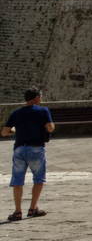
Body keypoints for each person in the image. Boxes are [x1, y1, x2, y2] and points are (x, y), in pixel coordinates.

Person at [2, 87, 53, 221]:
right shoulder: (43, 111)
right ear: (36, 98)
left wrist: (14, 130)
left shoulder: (16, 113)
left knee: (18, 181)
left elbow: (4, 132)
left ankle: (18, 211)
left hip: (19, 149)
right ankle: (32, 208)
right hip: (36, 148)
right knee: (38, 179)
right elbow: (50, 128)